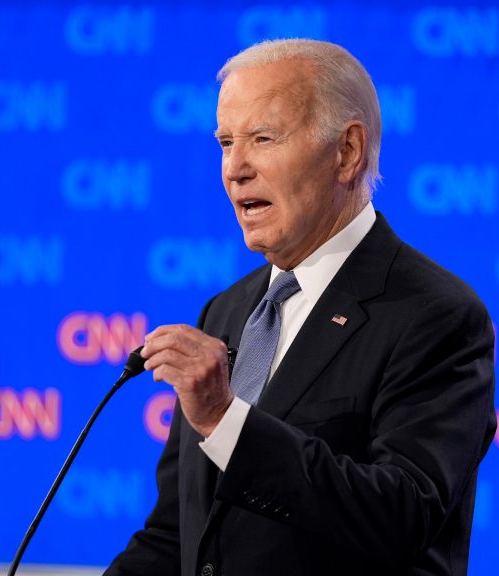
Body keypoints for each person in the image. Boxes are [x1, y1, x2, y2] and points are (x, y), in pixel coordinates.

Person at [106, 39, 496, 576]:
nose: (234, 168)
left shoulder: (436, 314)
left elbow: (401, 515)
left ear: (347, 152)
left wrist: (225, 418)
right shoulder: (225, 311)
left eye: (263, 138)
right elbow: (178, 536)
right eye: (225, 142)